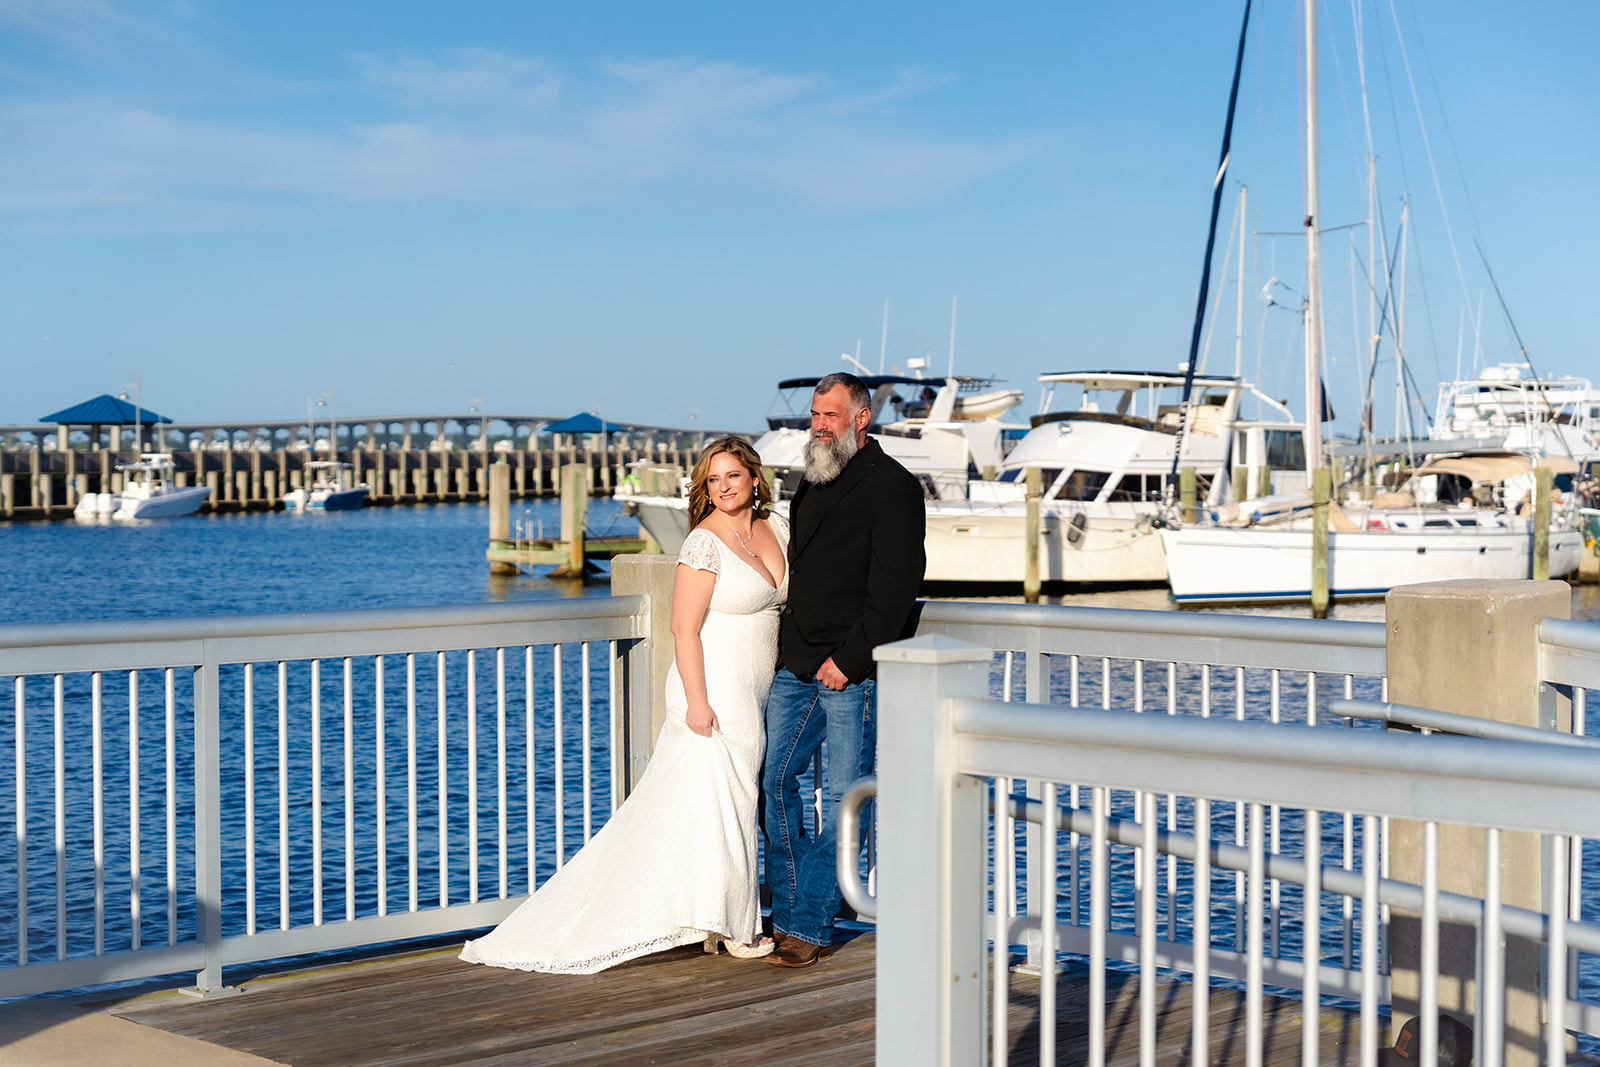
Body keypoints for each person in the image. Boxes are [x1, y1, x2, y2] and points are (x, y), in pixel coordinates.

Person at [460, 437, 788, 973]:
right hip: (711, 688)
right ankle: (737, 926)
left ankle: (715, 916)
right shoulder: (703, 543)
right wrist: (698, 703)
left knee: (720, 805)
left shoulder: (778, 528)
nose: (723, 487)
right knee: (728, 804)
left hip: (756, 687)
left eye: (732, 476)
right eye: (712, 480)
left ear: (754, 477)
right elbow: (684, 628)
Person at [763, 372, 926, 968]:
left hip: (847, 670)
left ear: (861, 417)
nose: (818, 424)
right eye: (814, 414)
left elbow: (897, 586)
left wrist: (849, 659)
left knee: (844, 801)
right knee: (774, 784)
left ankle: (808, 924)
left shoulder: (893, 486)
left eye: (829, 415)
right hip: (795, 662)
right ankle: (786, 911)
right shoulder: (814, 476)